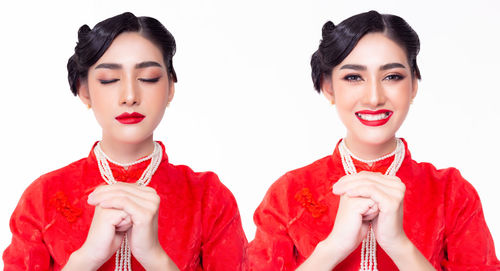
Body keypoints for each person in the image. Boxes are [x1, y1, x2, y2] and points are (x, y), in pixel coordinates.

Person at [247, 10, 499, 270]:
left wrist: (399, 244)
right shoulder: (290, 194)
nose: (374, 97)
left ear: (413, 84)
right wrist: (332, 247)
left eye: (392, 76)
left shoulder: (452, 194)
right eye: (354, 77)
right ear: (328, 87)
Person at [3, 12, 247, 271]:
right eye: (109, 80)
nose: (130, 96)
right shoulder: (44, 198)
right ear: (85, 90)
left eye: (148, 78)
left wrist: (155, 257)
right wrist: (85, 259)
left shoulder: (208, 198)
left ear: (170, 88)